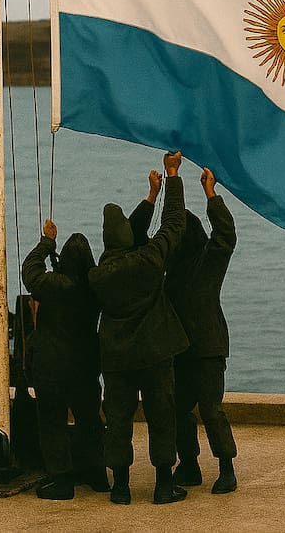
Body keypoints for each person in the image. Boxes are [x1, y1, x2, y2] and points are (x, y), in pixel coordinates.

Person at [90, 152, 190, 506]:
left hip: (116, 358)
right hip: (154, 353)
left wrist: (150, 196)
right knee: (163, 416)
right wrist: (173, 177)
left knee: (117, 421)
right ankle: (164, 485)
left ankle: (120, 487)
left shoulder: (98, 275)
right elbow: (174, 223)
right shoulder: (149, 262)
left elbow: (126, 236)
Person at [21, 220, 107, 499]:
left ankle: (61, 479)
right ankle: (96, 473)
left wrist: (47, 243)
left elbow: (30, 271)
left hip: (52, 366)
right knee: (90, 419)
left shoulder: (54, 284)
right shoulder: (95, 287)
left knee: (52, 421)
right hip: (85, 365)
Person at [166, 167, 239, 494]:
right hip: (182, 349)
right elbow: (164, 229)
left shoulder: (206, 262)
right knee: (180, 410)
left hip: (207, 351)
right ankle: (190, 465)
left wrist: (211, 195)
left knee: (211, 410)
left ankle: (227, 468)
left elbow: (225, 236)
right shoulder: (171, 269)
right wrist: (169, 184)